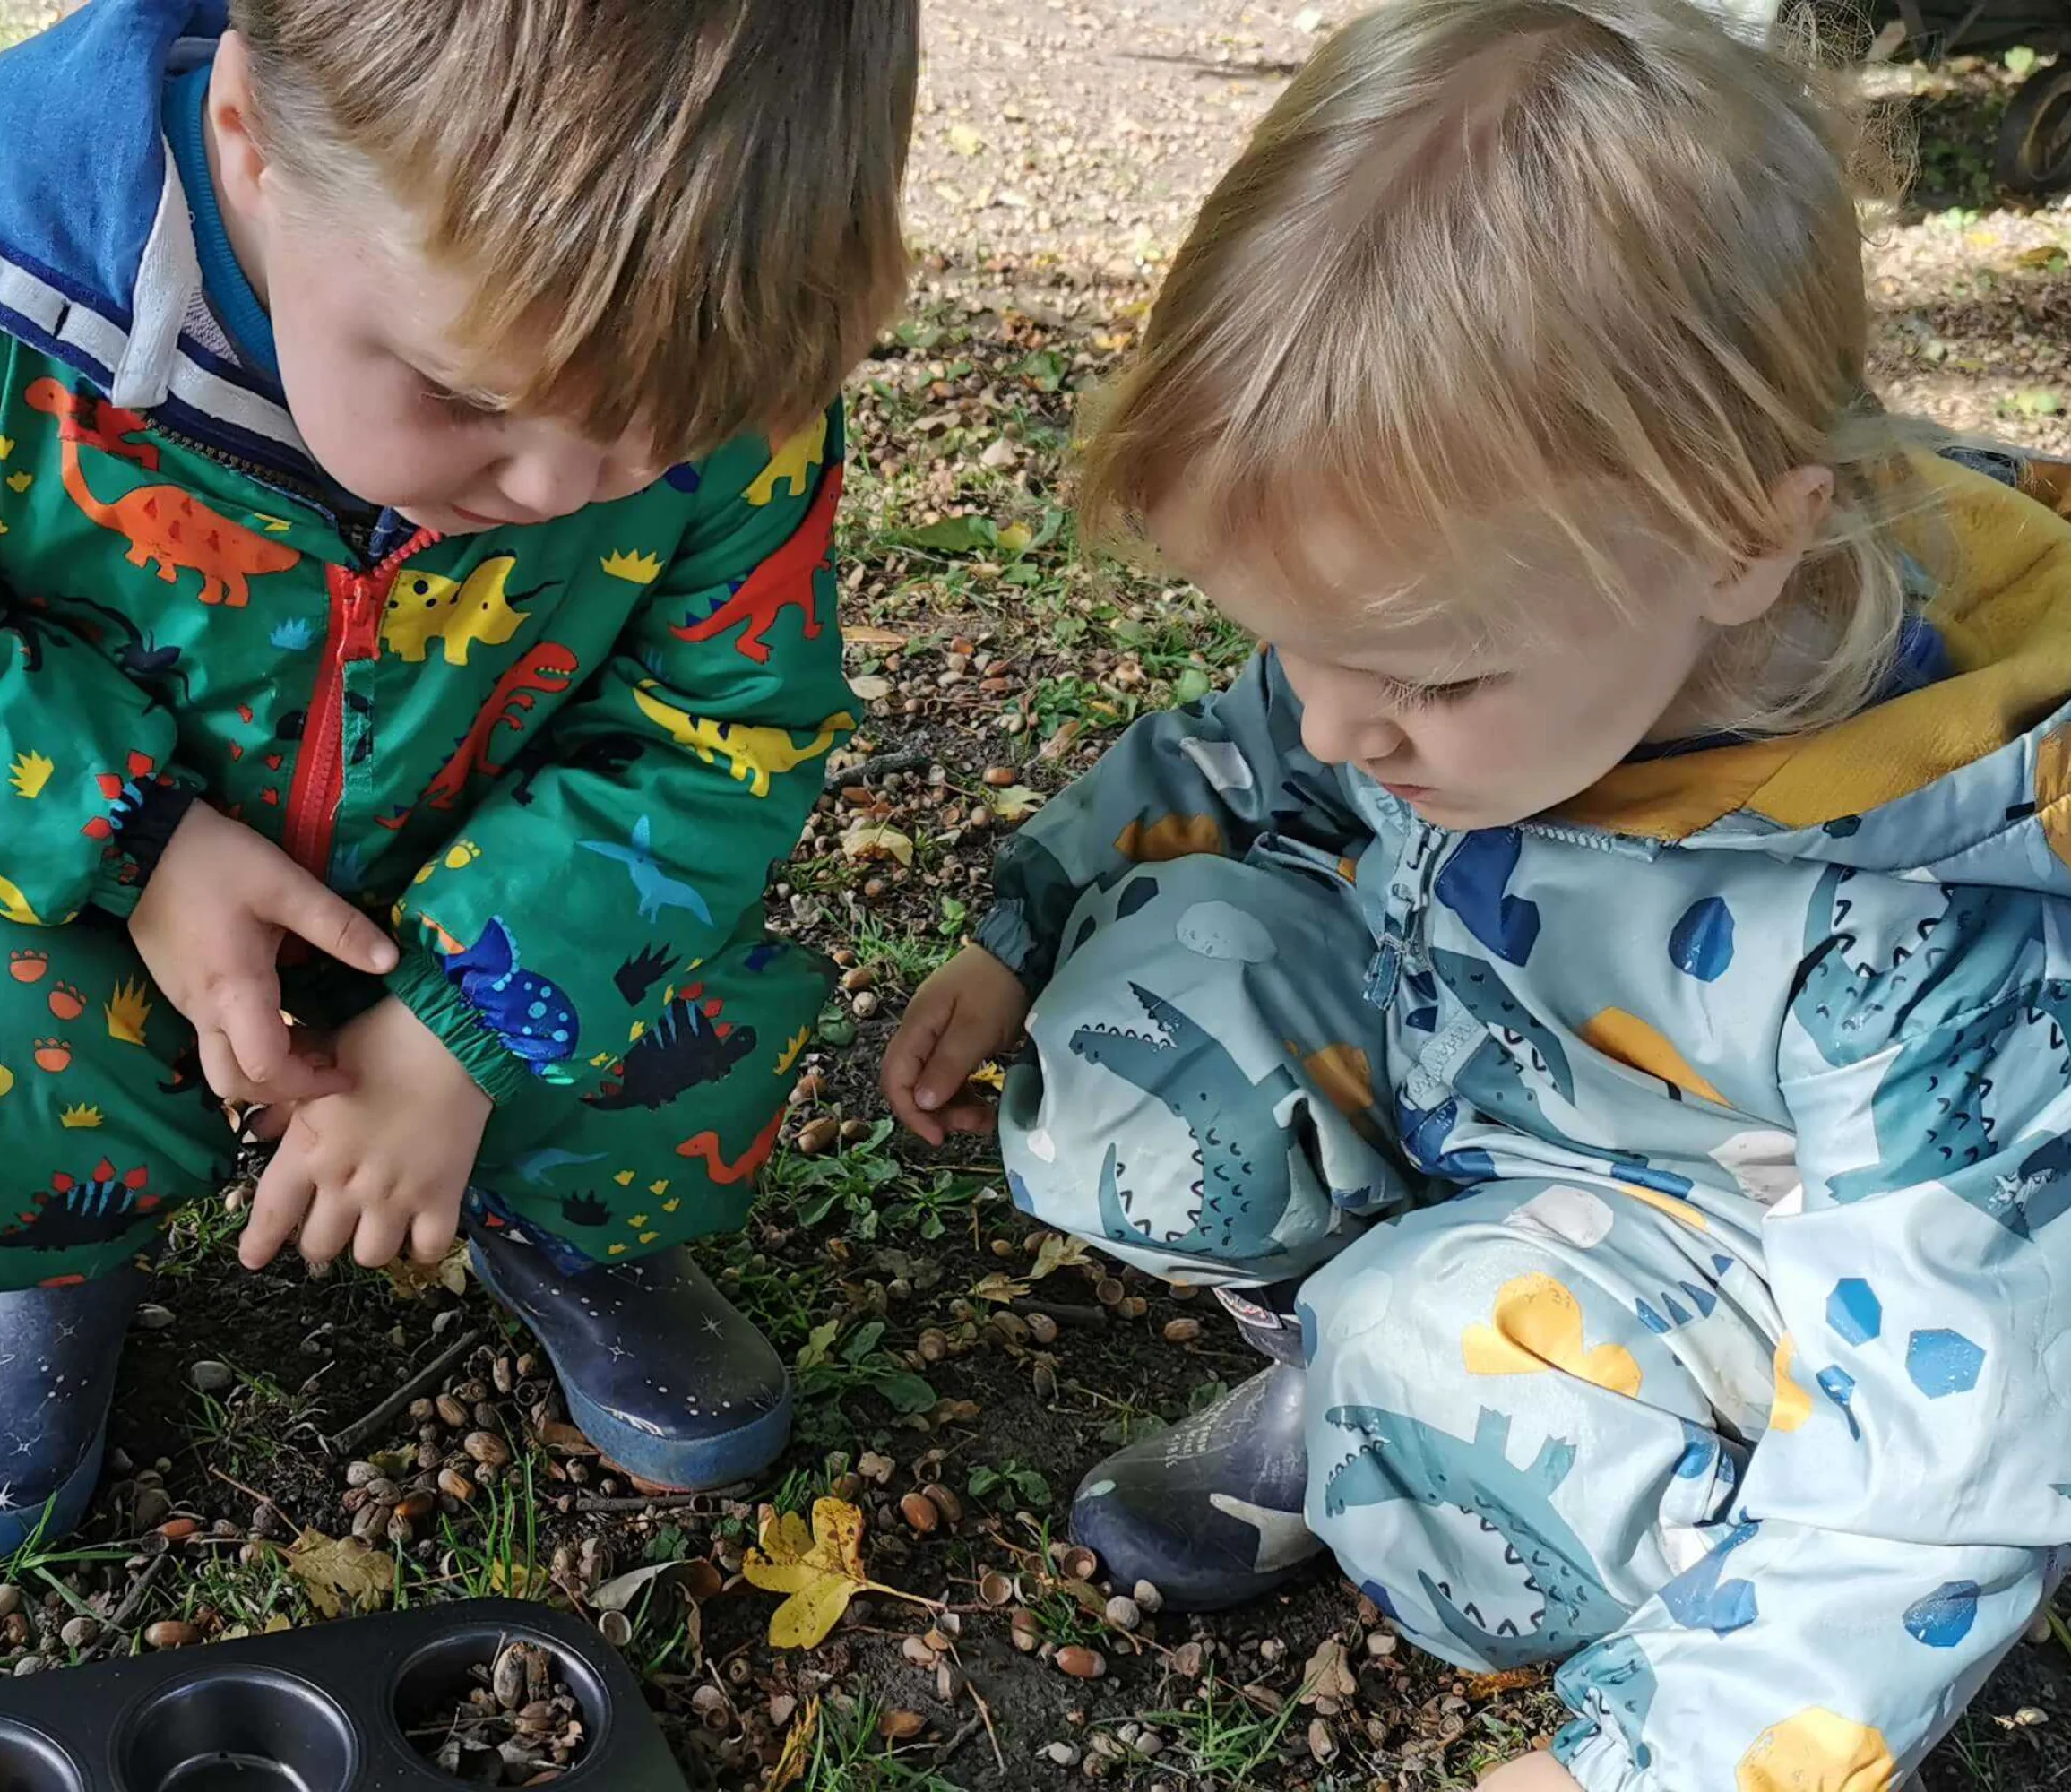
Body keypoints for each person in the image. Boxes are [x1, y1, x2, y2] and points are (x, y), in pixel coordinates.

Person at [882, 4, 2071, 1788]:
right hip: (1477, 1081)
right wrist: (1023, 917)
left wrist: (1652, 1763)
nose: (1338, 725)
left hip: (1729, 1288)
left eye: (1425, 677)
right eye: (1293, 639)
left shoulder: (1932, 923)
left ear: (1747, 541)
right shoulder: (1512, 631)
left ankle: (1567, 1506)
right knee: (1141, 1040)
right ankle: (1360, 1362)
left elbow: (1939, 1474)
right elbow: (1251, 747)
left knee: (1433, 1353)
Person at [0, 0, 915, 1560]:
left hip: (505, 879)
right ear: (251, 139)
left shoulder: (718, 328)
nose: (554, 488)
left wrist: (465, 1026)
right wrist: (136, 842)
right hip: (72, 903)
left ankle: (575, 1227)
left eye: (656, 443)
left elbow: (725, 732)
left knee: (695, 1040)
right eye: (464, 394)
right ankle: (43, 1255)